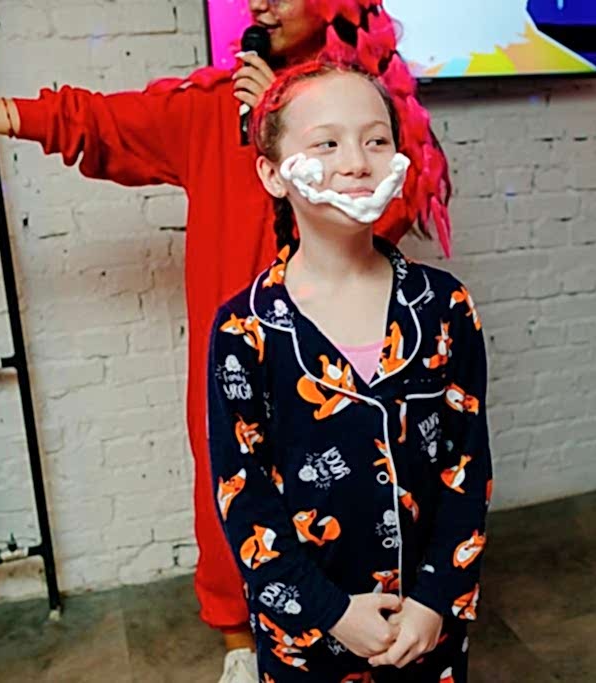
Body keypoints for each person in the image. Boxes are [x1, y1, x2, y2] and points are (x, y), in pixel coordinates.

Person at [0, 3, 451, 681]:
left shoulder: (374, 112)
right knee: (235, 500)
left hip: (351, 361)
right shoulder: (213, 108)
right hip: (248, 364)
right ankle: (240, 646)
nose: (260, 3)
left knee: (358, 497)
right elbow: (100, 121)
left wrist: (294, 128)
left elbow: (391, 215)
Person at [207, 60, 491, 682]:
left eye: (376, 139)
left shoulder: (445, 307)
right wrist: (331, 612)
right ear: (272, 174)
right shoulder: (244, 330)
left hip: (426, 635)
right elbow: (243, 494)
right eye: (327, 144)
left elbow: (467, 467)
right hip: (308, 645)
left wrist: (435, 601)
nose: (358, 162)